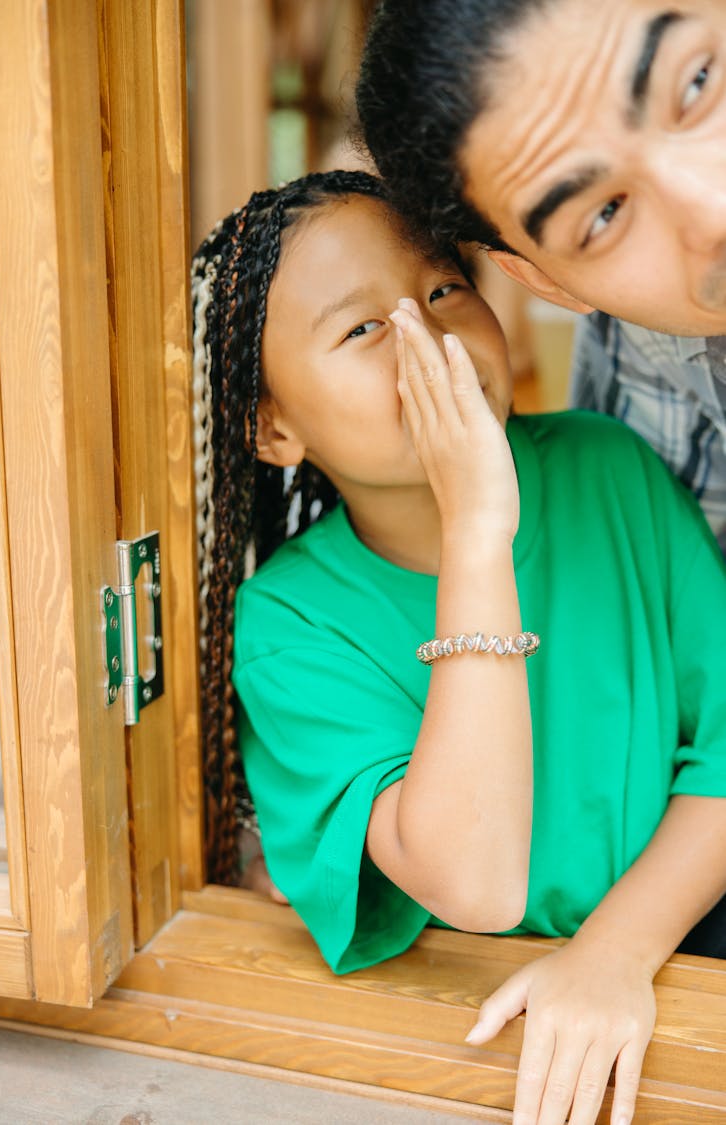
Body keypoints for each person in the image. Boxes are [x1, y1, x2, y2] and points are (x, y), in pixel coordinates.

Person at [192, 170, 726, 1125]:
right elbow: (474, 883)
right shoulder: (289, 623)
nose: (430, 337)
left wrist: (613, 953)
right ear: (274, 427)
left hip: (676, 973)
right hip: (470, 1041)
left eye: (444, 289)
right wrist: (477, 531)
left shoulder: (611, 470)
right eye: (363, 329)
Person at [356, 0, 726, 553]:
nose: (714, 209)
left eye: (697, 84)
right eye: (604, 216)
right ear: (550, 284)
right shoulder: (655, 344)